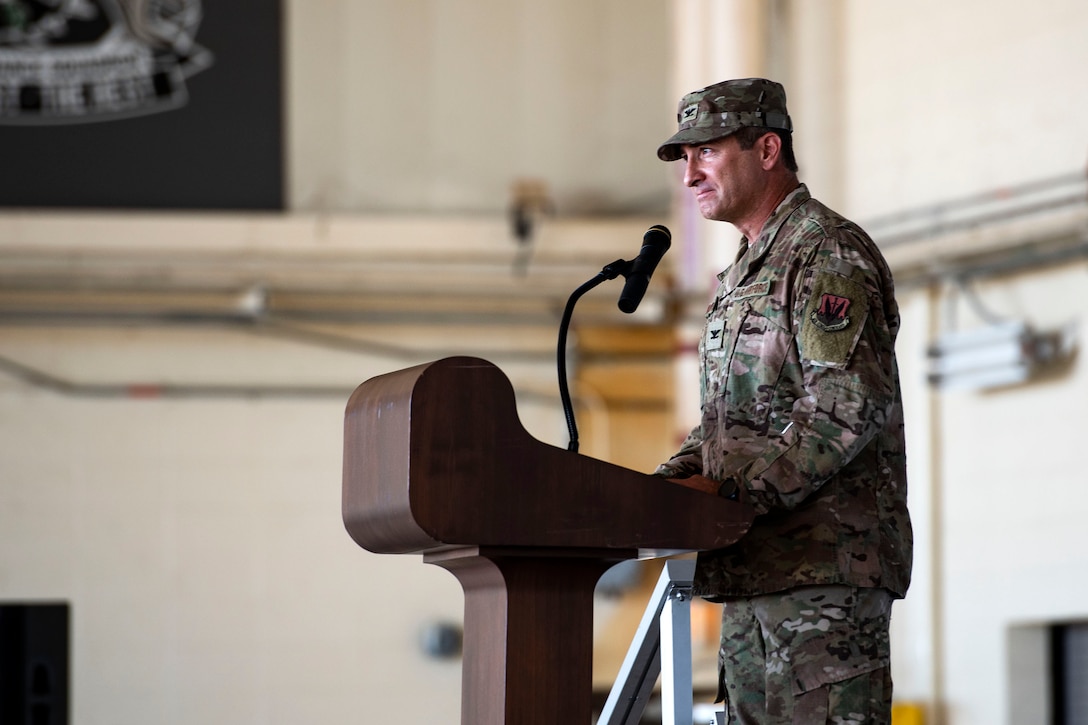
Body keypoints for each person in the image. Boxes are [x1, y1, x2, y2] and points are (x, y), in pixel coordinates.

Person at [653, 78, 913, 724]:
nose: (690, 176)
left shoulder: (826, 252)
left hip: (822, 573)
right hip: (752, 572)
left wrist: (735, 494)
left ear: (766, 149)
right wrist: (664, 486)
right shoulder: (743, 273)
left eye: (705, 152)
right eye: (684, 159)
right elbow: (728, 424)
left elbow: (846, 405)